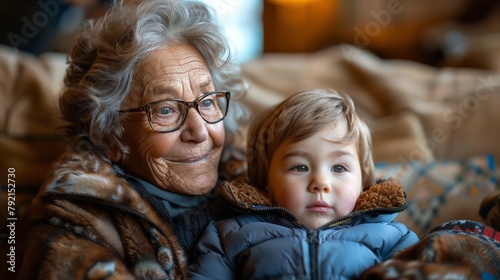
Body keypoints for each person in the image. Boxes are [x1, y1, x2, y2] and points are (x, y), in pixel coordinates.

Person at [19, 0, 250, 279]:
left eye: (207, 101)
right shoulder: (73, 224)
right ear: (107, 135)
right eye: (166, 110)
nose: (201, 132)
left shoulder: (263, 184)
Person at [189, 89, 419, 279]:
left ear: (363, 181)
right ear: (265, 182)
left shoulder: (393, 238)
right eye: (300, 167)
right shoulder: (230, 236)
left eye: (339, 168)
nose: (320, 183)